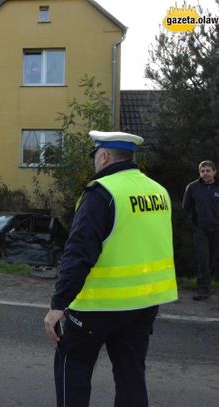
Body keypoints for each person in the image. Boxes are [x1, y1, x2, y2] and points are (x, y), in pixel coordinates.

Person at [43, 131, 178, 407]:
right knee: (131, 376)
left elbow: (78, 253)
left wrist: (59, 304)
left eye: (96, 156)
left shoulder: (102, 193)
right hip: (144, 304)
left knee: (73, 368)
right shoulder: (158, 191)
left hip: (97, 306)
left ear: (104, 157)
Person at [182, 160, 219, 301]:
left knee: (212, 259)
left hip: (217, 229)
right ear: (199, 173)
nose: (205, 174)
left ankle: (208, 285)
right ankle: (203, 290)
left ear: (214, 172)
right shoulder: (192, 187)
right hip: (200, 230)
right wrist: (195, 223)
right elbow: (186, 207)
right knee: (203, 258)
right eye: (202, 171)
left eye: (208, 170)